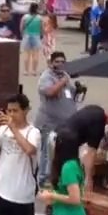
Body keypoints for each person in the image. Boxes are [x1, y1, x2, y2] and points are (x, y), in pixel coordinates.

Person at [34, 51, 77, 188]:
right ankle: (43, 179)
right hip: (49, 123)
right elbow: (50, 92)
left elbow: (69, 93)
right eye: (57, 61)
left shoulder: (65, 75)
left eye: (62, 62)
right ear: (51, 63)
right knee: (47, 152)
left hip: (64, 124)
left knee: (59, 151)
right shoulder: (46, 77)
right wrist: (63, 82)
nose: (60, 64)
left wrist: (78, 90)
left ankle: (55, 177)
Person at [20, 3, 45, 77]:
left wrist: (22, 34)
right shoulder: (39, 18)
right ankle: (34, 71)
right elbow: (42, 28)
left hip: (27, 36)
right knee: (35, 55)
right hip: (36, 36)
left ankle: (26, 71)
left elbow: (21, 27)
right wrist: (42, 35)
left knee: (26, 54)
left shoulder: (25, 17)